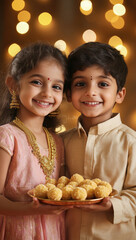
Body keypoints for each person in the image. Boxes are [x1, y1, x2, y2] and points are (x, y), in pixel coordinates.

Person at [61, 42, 136, 240]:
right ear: (69, 93)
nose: (91, 92)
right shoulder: (61, 141)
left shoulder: (131, 142)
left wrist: (114, 205)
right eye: (80, 84)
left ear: (119, 94)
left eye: (102, 84)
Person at [0, 41, 69, 240]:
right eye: (37, 82)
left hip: (54, 229)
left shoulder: (57, 141)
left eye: (56, 86)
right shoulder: (7, 136)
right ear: (13, 85)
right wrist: (31, 209)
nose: (47, 93)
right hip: (18, 231)